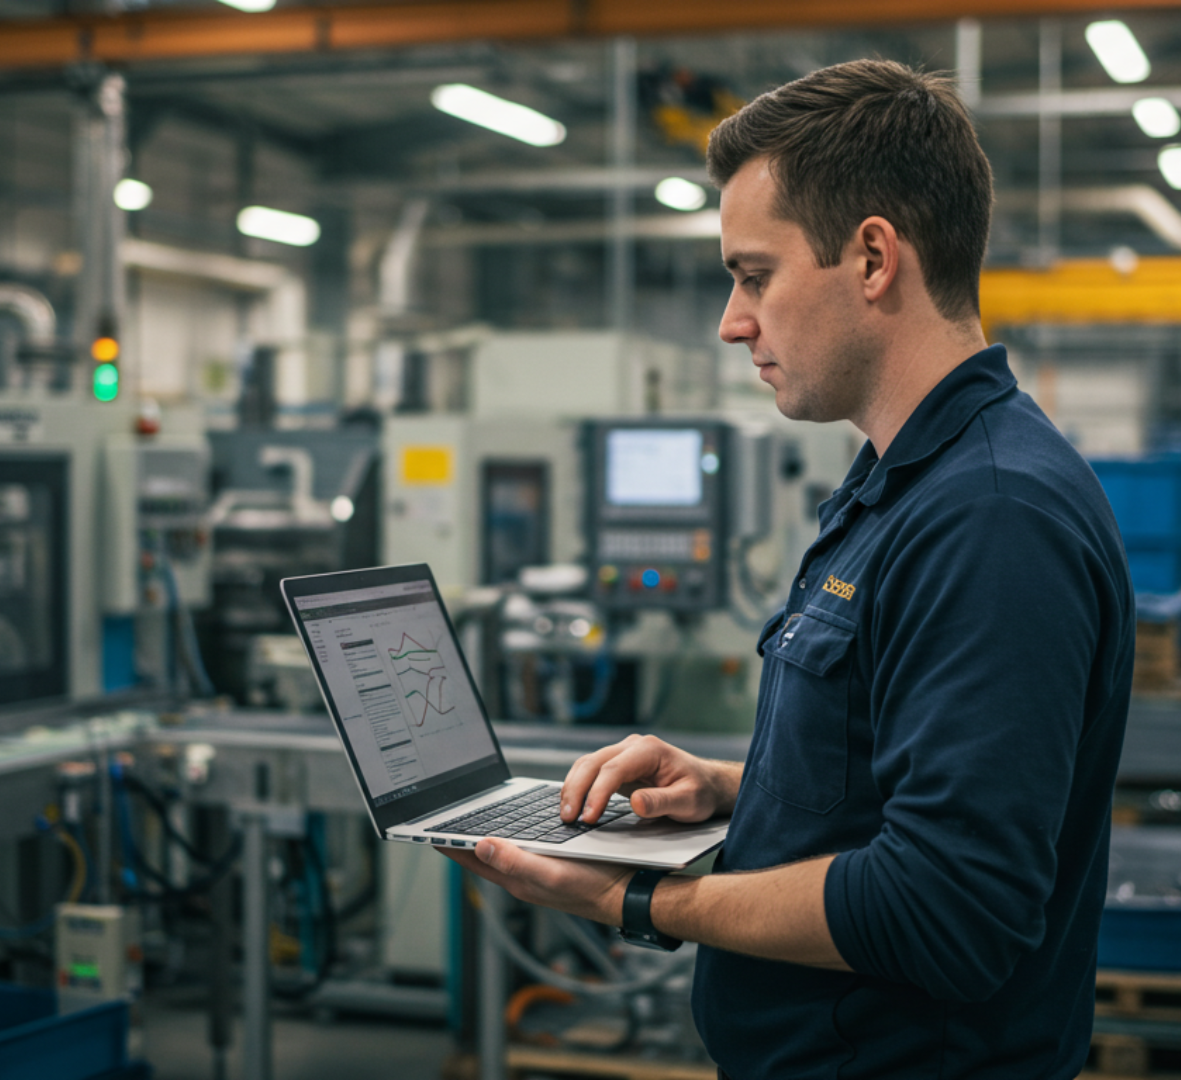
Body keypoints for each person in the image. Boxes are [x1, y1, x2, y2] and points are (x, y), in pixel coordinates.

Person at [444, 58, 1134, 1079]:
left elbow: (949, 908)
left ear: (872, 258)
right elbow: (894, 778)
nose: (733, 321)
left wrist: (636, 899)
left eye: (755, 275)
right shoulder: (901, 484)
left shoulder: (990, 517)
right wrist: (730, 790)